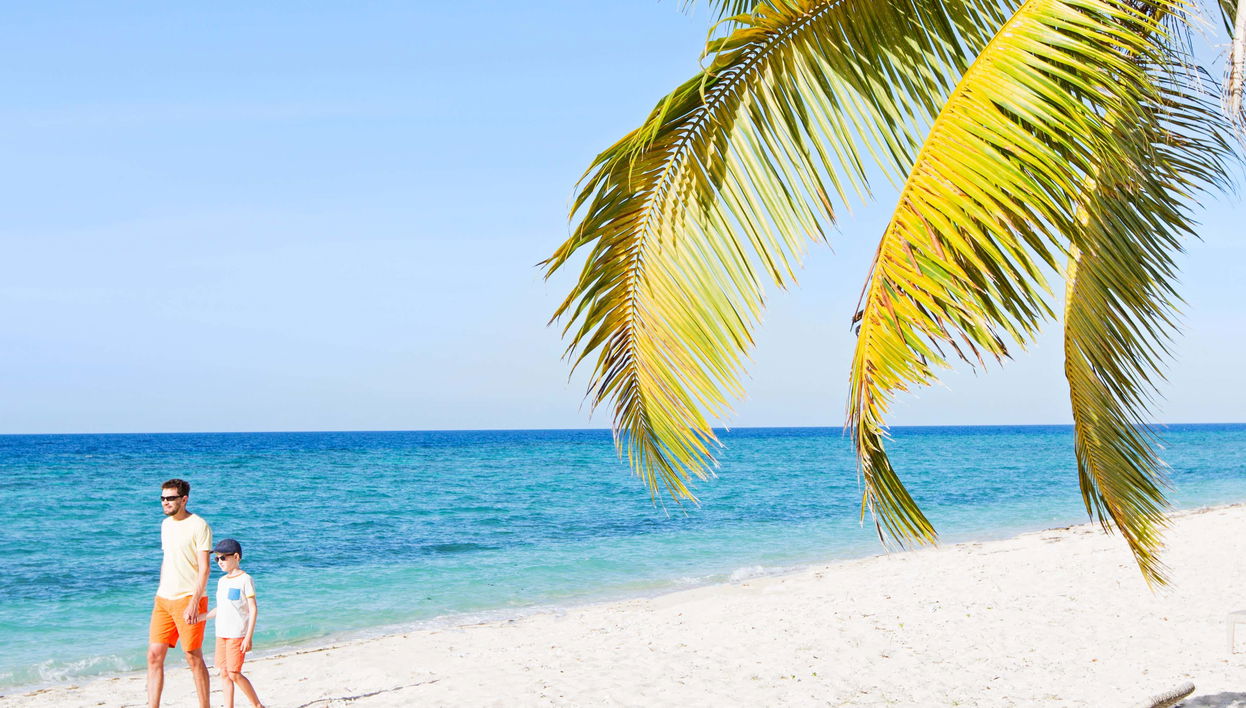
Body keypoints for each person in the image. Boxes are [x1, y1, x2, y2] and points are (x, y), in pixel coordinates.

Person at [148, 478, 213, 708]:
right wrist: (160, 590)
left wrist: (195, 602)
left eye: (170, 498)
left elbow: (204, 569)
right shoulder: (165, 525)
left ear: (184, 499)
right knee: (154, 656)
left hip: (189, 598)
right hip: (163, 599)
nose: (165, 502)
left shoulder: (199, 525)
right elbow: (168, 561)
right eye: (162, 498)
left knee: (193, 656)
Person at [200, 538, 265, 708]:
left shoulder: (245, 579)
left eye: (223, 558)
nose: (219, 562)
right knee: (223, 673)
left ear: (236, 557)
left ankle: (257, 704)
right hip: (221, 634)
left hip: (237, 634)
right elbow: (221, 609)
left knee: (234, 673)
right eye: (217, 559)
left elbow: (253, 609)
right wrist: (200, 617)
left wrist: (248, 637)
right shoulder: (222, 581)